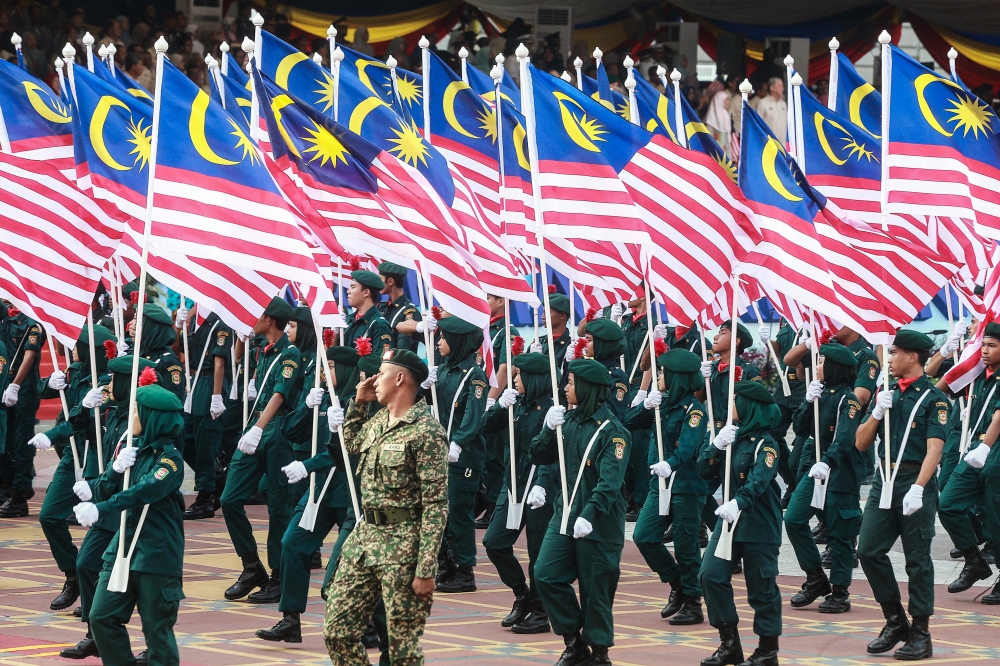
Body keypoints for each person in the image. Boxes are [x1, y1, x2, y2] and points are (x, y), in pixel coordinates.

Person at [323, 348, 448, 666]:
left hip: (403, 547)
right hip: (364, 540)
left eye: (381, 373)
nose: (374, 380)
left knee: (402, 648)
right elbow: (351, 446)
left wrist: (426, 568)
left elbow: (436, 504)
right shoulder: (379, 421)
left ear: (401, 378)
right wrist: (357, 405)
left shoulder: (427, 432)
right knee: (338, 632)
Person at [255, 344, 361, 644]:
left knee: (345, 564)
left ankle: (370, 622)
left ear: (342, 369)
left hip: (352, 493)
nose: (321, 372)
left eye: (329, 366)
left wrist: (308, 465)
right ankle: (290, 619)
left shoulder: (364, 404)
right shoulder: (323, 398)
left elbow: (345, 453)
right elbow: (291, 431)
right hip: (320, 493)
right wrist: (306, 405)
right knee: (292, 545)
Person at [77, 382, 186, 666]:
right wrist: (113, 472)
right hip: (123, 547)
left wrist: (100, 510)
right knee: (100, 617)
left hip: (156, 553)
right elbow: (103, 489)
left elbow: (146, 491)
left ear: (153, 417)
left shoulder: (170, 460)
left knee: (157, 632)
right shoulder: (132, 450)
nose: (131, 417)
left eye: (137, 411)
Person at [531, 359, 630, 666]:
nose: (565, 388)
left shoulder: (613, 432)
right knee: (545, 574)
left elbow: (609, 481)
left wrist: (590, 513)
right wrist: (548, 429)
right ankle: (574, 641)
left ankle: (599, 654)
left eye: (572, 383)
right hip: (564, 516)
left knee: (595, 592)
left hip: (597, 524)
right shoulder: (568, 422)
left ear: (587, 387)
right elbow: (539, 454)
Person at [855, 329, 948, 660]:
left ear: (913, 357)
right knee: (868, 550)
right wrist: (877, 413)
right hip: (884, 480)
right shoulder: (888, 394)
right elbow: (861, 443)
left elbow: (934, 450)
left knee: (917, 561)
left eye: (894, 353)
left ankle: (921, 633)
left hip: (913, 479)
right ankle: (895, 621)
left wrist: (920, 488)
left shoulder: (934, 399)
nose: (889, 358)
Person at [60, 355, 156, 659]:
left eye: (115, 380)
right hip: (108, 504)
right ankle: (95, 633)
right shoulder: (113, 412)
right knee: (86, 563)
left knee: (138, 581)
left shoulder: (145, 417)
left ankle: (155, 645)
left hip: (133, 511)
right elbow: (75, 431)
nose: (109, 385)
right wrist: (83, 408)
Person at [220, 297, 303, 603]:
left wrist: (258, 428)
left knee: (279, 506)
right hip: (257, 426)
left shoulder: (290, 354)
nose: (251, 320)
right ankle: (252, 566)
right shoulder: (263, 351)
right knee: (229, 498)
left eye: (256, 316)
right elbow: (237, 358)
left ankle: (279, 577)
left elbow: (280, 393)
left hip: (277, 430)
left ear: (269, 320)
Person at [697, 381, 783, 666]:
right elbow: (703, 472)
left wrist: (737, 502)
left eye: (737, 400)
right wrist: (715, 446)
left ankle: (767, 650)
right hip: (730, 523)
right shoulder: (732, 439)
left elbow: (760, 480)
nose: (731, 405)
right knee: (710, 575)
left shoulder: (767, 444)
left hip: (758, 523)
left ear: (750, 406)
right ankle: (729, 643)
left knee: (762, 589)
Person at [32, 324, 115, 613]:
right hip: (74, 454)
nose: (71, 351)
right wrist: (49, 383)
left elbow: (84, 417)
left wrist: (89, 402)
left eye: (76, 346)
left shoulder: (109, 379)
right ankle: (73, 576)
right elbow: (42, 392)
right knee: (50, 516)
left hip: (100, 457)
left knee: (100, 525)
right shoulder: (76, 371)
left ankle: (95, 586)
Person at [628, 347, 708, 625]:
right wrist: (645, 406)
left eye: (663, 372)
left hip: (684, 486)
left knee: (687, 548)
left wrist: (671, 463)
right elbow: (628, 423)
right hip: (658, 485)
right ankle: (677, 584)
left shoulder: (693, 410)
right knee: (644, 536)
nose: (659, 376)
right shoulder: (661, 404)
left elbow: (688, 446)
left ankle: (693, 603)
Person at [784, 343, 864, 613]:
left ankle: (840, 591)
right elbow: (800, 428)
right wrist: (808, 401)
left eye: (821, 362)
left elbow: (844, 438)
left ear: (834, 367)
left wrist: (827, 462)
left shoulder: (848, 399)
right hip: (816, 467)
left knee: (840, 532)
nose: (816, 366)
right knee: (793, 518)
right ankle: (816, 577)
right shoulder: (821, 393)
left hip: (839, 469)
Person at [482, 351, 555, 634]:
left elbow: (552, 455)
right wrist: (500, 406)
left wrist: (544, 484)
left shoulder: (551, 409)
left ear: (534, 378)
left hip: (539, 488)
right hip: (513, 484)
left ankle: (540, 611)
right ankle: (522, 595)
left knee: (538, 553)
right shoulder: (517, 403)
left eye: (519, 374)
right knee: (494, 542)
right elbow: (487, 427)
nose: (514, 378)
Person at [936, 322, 1000, 599]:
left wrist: (986, 446)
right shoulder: (980, 374)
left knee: (997, 519)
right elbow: (941, 387)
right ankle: (974, 562)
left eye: (992, 346)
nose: (984, 351)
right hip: (976, 448)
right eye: (983, 345)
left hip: (994, 450)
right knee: (948, 504)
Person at [430, 315, 488, 593]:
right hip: (439, 452)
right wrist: (423, 385)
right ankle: (447, 562)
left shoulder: (474, 375)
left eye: (444, 338)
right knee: (432, 510)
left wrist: (459, 443)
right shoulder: (443, 369)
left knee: (459, 514)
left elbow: (473, 416)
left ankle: (465, 570)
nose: (439, 342)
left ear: (457, 341)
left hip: (462, 456)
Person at [178, 309, 232, 520]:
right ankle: (217, 475)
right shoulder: (194, 322)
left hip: (210, 383)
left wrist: (216, 396)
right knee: (184, 436)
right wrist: (179, 324)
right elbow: (179, 348)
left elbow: (219, 363)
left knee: (206, 442)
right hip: (193, 382)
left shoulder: (220, 324)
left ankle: (205, 498)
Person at [0, 305, 46, 517]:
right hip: (6, 384)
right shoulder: (6, 320)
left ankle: (19, 496)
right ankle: (11, 485)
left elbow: (28, 356)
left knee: (21, 441)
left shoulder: (31, 323)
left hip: (24, 388)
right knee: (7, 440)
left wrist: (15, 385)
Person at [480, 294, 518, 529]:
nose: (485, 301)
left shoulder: (506, 331)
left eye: (490, 298)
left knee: (494, 455)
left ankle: (494, 504)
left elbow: (504, 368)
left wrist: (490, 399)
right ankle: (485, 500)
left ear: (502, 301)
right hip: (480, 394)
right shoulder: (486, 328)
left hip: (494, 398)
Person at [134, 304, 185, 401]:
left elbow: (173, 402)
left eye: (137, 322)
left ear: (150, 327)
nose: (131, 325)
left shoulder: (168, 363)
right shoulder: (139, 354)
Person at [584, 318, 631, 421]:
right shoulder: (589, 370)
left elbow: (613, 413)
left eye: (589, 340)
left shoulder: (617, 377)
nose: (584, 344)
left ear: (602, 344)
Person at [377, 262, 427, 353]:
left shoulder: (409, 311)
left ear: (390, 281)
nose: (377, 283)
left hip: (396, 365)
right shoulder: (381, 308)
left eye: (380, 279)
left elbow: (403, 350)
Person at [344, 268, 393, 354]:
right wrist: (336, 332)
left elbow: (378, 361)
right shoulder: (348, 320)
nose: (348, 291)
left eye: (353, 287)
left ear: (366, 292)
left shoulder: (379, 324)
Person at [755, 77, 787, 143]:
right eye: (780, 86)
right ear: (772, 88)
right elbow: (757, 124)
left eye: (783, 86)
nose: (782, 88)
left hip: (783, 143)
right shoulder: (762, 103)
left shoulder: (783, 104)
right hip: (769, 142)